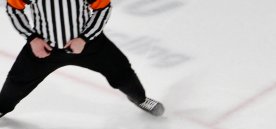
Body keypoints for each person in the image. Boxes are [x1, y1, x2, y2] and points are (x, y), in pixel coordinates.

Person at [0, 0, 164, 119]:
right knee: (17, 81)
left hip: (89, 45)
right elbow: (13, 8)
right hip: (45, 48)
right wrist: (33, 38)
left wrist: (84, 38)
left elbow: (103, 8)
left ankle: (140, 99)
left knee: (122, 71)